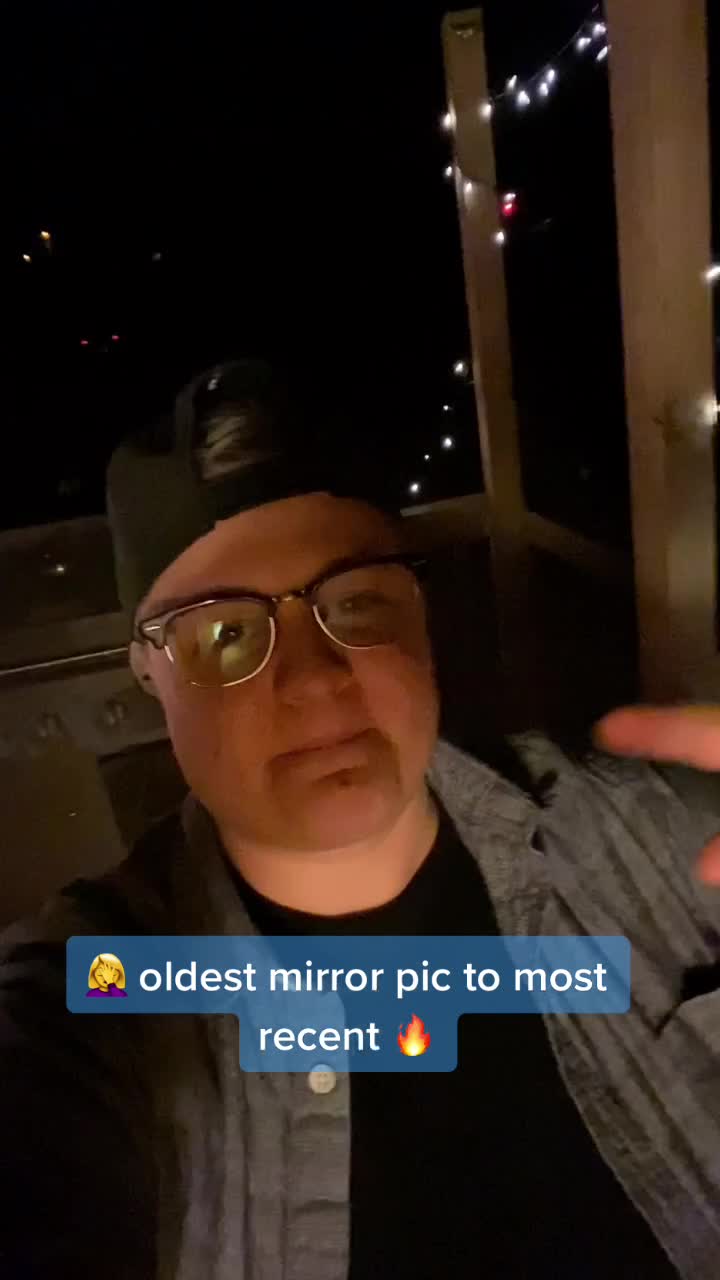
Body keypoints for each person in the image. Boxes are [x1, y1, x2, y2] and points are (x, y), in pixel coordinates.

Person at [2, 358, 720, 1280]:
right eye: (225, 633)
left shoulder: (656, 829)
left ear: (421, 615)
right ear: (150, 678)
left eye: (354, 601)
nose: (313, 679)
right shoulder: (94, 1001)